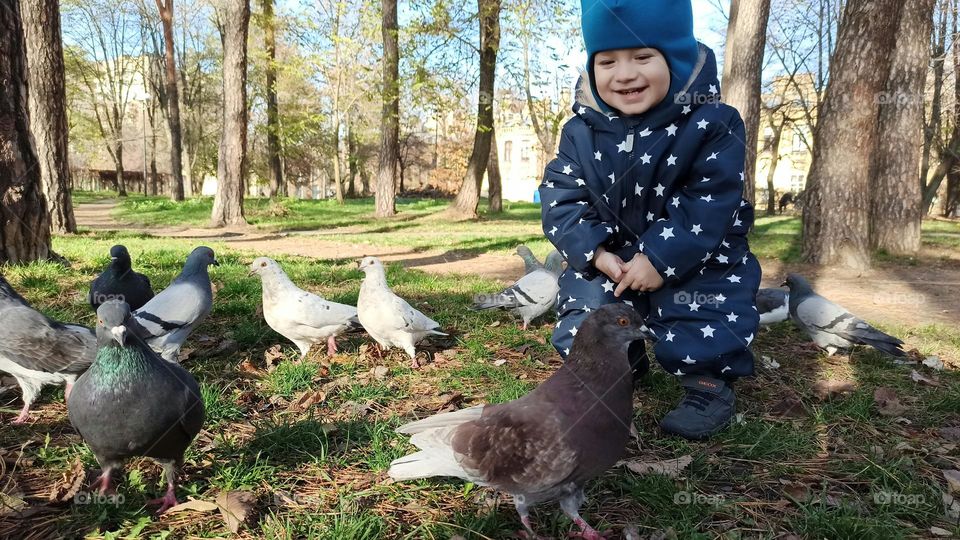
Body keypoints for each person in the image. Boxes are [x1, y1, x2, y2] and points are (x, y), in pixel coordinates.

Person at [538, 0, 761, 440]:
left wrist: (659, 258)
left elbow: (709, 199)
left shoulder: (711, 123)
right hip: (615, 258)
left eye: (642, 57)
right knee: (587, 300)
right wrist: (595, 253)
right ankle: (614, 367)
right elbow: (561, 197)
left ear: (673, 60)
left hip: (694, 253)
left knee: (703, 301)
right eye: (607, 61)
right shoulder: (581, 131)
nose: (624, 74)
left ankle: (707, 380)